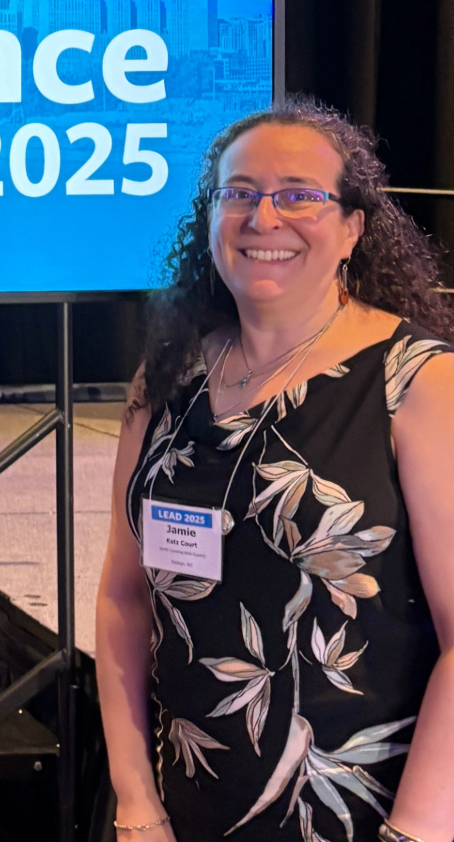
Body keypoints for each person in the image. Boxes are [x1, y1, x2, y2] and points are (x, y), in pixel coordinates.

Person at [96, 99, 454, 842]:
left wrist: (415, 831)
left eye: (299, 194)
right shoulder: (166, 377)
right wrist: (136, 805)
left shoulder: (416, 383)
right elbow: (125, 600)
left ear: (353, 227)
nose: (265, 218)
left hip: (366, 818)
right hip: (187, 809)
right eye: (240, 193)